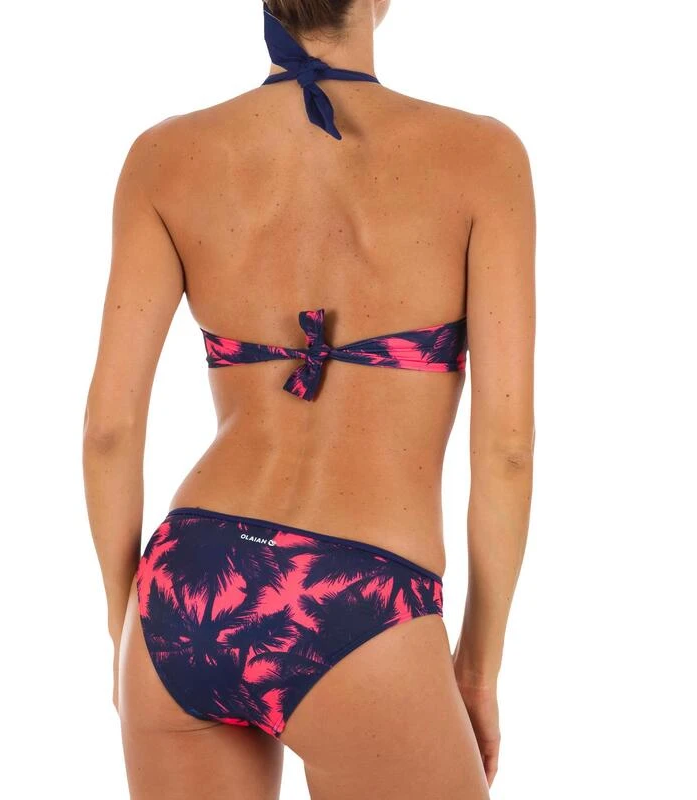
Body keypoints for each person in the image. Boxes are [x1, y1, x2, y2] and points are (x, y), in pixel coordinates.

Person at [82, 1, 535, 797]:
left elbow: (110, 430)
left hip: (186, 587)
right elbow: (507, 450)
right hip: (362, 602)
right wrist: (475, 667)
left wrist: (129, 623)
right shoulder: (481, 157)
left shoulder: (164, 157)